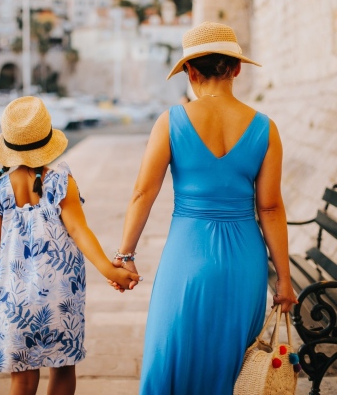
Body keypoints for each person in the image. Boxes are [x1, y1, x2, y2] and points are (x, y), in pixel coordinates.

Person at [109, 22, 298, 395]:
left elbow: (142, 193)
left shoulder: (171, 122)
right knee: (231, 366)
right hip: (245, 262)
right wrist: (285, 279)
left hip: (187, 256)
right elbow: (271, 208)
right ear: (237, 68)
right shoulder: (265, 128)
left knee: (172, 355)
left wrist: (125, 255)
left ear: (191, 72)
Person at [0, 96, 140, 395]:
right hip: (60, 296)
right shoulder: (61, 181)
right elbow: (79, 230)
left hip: (14, 296)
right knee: (62, 368)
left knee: (22, 377)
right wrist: (109, 271)